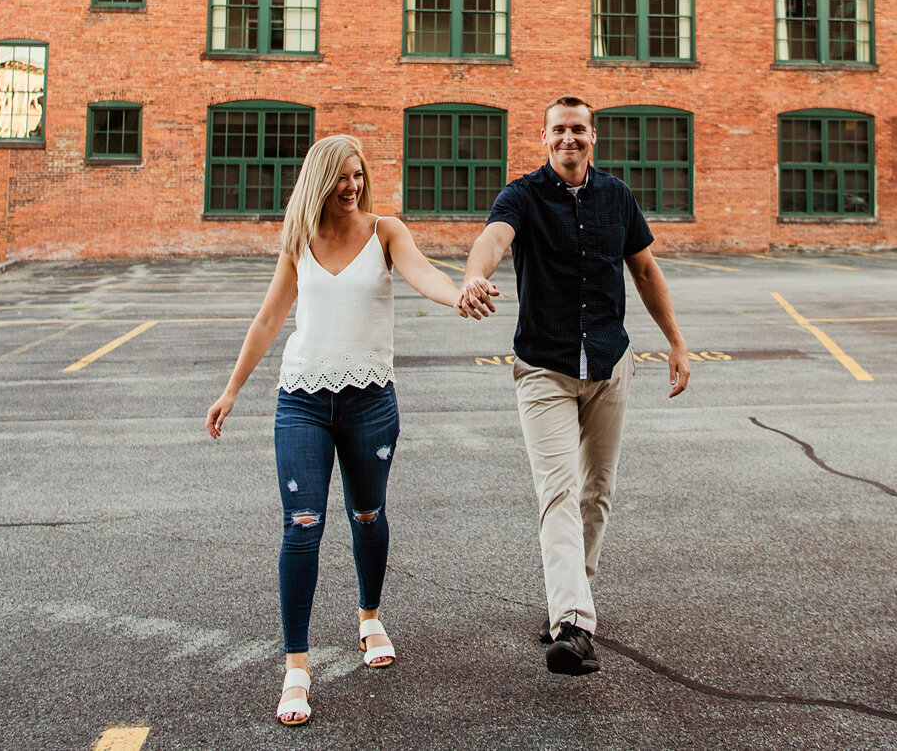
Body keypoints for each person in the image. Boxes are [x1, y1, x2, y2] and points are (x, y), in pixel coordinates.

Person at [207, 134, 478, 726]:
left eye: (358, 175)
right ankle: (297, 669)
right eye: (341, 177)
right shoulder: (299, 240)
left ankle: (369, 616)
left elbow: (424, 274)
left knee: (367, 515)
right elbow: (270, 316)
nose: (352, 186)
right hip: (301, 401)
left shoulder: (387, 232)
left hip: (369, 402)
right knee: (302, 526)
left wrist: (458, 298)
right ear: (320, 180)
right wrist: (231, 390)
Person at [457, 95, 692, 676]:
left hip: (610, 365)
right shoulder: (522, 195)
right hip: (545, 367)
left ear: (593, 137)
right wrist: (472, 274)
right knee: (558, 493)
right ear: (544, 137)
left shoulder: (617, 197)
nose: (569, 138)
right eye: (559, 129)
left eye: (579, 130)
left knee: (597, 494)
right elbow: (494, 240)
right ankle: (574, 625)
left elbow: (644, 270)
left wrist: (677, 342)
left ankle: (568, 605)